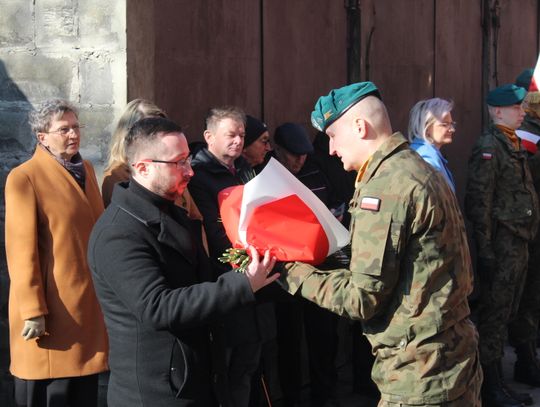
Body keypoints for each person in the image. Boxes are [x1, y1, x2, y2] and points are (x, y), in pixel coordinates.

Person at [278, 81, 482, 406]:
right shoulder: (415, 167)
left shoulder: (386, 186)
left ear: (360, 127)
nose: (330, 149)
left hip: (420, 374)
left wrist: (289, 271)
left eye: (333, 135)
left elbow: (362, 298)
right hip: (449, 359)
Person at [87, 117, 278, 407]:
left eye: (188, 159)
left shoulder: (172, 212)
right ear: (143, 168)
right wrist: (241, 284)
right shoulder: (118, 233)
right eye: (178, 163)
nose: (190, 171)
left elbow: (203, 277)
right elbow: (158, 307)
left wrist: (260, 268)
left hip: (196, 379)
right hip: (157, 393)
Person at [4, 99, 108, 407]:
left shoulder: (85, 169)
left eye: (76, 127)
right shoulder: (25, 177)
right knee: (51, 393)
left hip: (85, 306)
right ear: (43, 137)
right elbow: (21, 250)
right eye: (64, 129)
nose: (74, 134)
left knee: (83, 391)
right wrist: (32, 310)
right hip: (50, 310)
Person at [465, 83, 539, 407]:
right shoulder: (490, 146)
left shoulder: (512, 142)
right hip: (501, 244)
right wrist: (485, 251)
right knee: (494, 316)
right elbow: (479, 202)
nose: (522, 112)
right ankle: (490, 388)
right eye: (515, 108)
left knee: (508, 311)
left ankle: (500, 383)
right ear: (497, 111)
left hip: (518, 242)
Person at [188, 106, 267, 406]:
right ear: (209, 137)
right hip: (226, 277)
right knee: (228, 368)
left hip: (255, 275)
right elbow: (215, 231)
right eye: (231, 135)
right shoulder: (198, 175)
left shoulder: (244, 169)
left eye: (242, 135)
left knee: (248, 363)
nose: (238, 141)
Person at [273, 122, 342, 407]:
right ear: (278, 150)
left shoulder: (315, 169)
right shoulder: (268, 175)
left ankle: (323, 397)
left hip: (320, 269)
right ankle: (291, 399)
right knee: (289, 341)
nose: (300, 160)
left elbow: (335, 200)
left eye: (304, 154)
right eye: (294, 155)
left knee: (323, 337)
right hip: (286, 274)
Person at [407, 98, 456, 191]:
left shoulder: (423, 152)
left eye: (451, 124)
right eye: (445, 124)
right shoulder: (427, 157)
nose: (452, 129)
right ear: (426, 126)